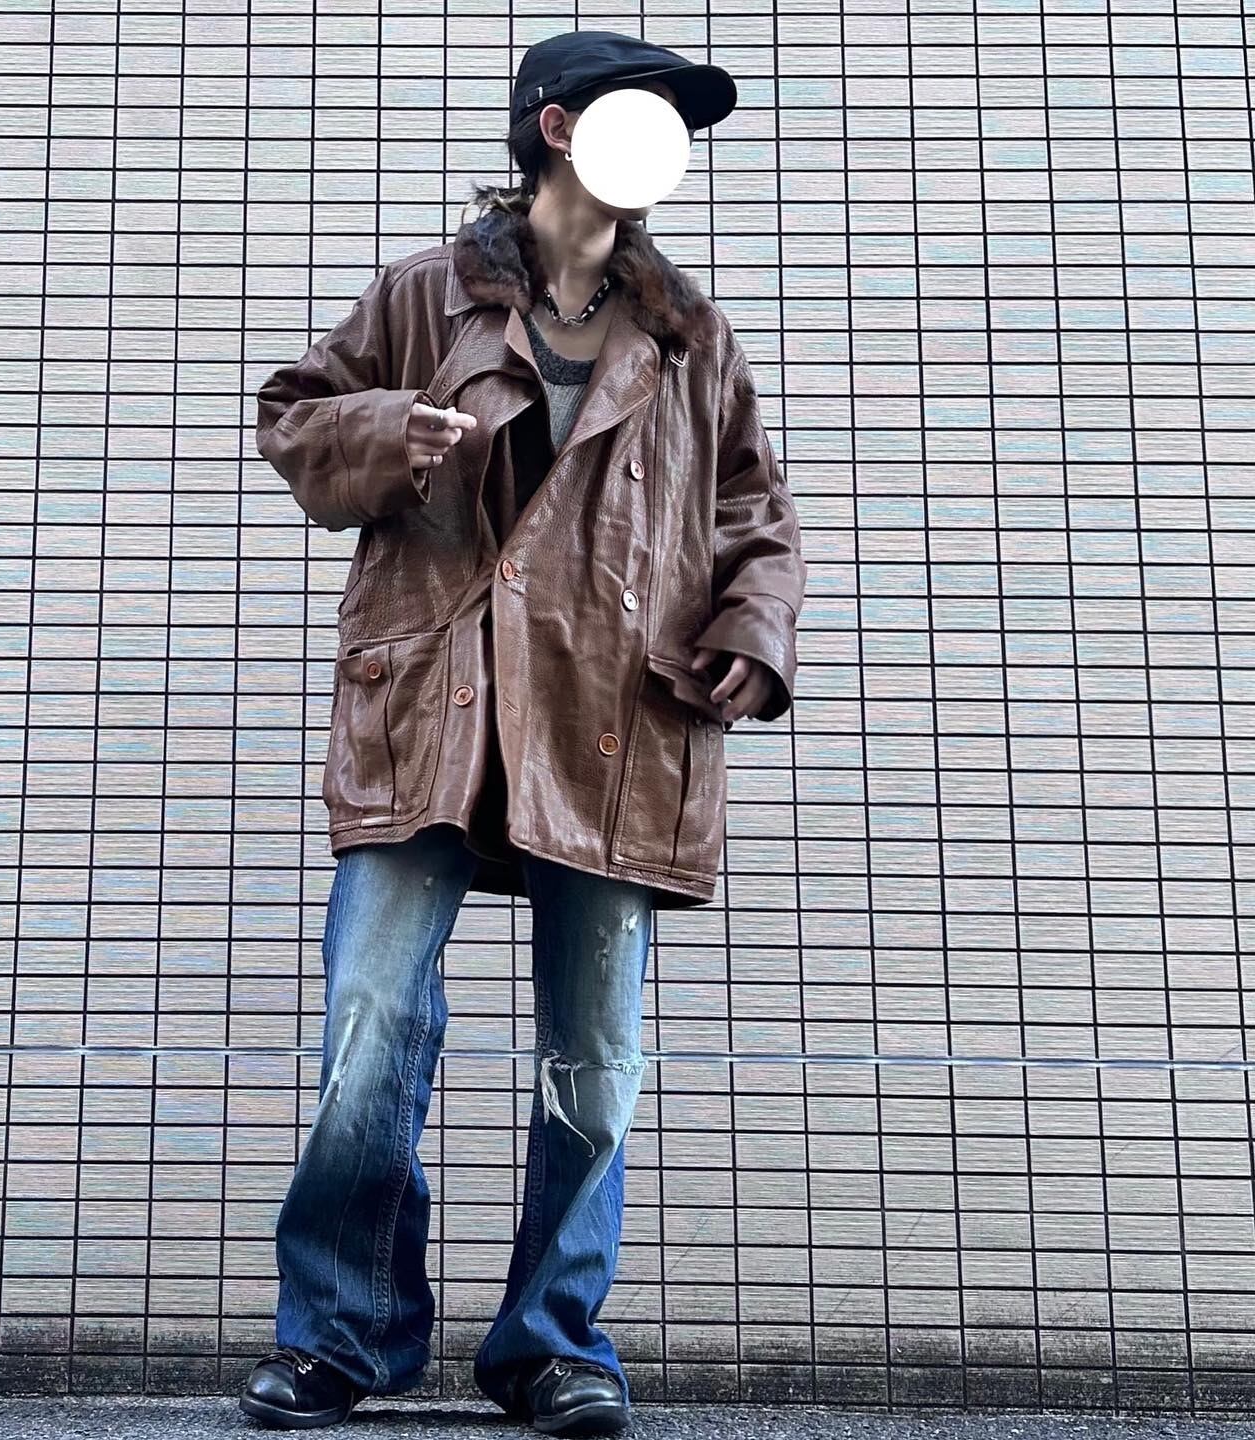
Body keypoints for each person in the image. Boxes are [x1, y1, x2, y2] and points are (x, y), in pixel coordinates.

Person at [244, 28, 807, 1436]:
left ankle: (553, 1346)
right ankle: (341, 1338)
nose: (667, 146)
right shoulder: (427, 295)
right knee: (370, 1028)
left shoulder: (690, 336)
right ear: (557, 127)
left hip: (615, 715)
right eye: (642, 115)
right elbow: (295, 419)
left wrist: (752, 632)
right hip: (434, 705)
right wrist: (394, 430)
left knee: (594, 1065)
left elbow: (755, 513)